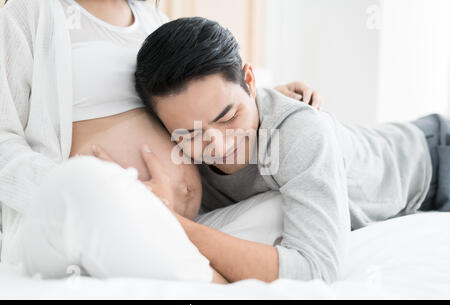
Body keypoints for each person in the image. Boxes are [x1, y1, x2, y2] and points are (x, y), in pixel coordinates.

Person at [0, 0, 320, 282]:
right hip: (81, 214)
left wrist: (263, 101)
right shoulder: (29, 12)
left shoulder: (155, 21)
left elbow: (202, 99)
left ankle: (177, 254)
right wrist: (121, 196)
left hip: (180, 222)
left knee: (279, 207)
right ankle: (212, 286)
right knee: (83, 183)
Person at [133, 17, 450, 283]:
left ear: (249, 81)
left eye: (228, 117)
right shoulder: (180, 156)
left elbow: (316, 269)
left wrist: (174, 226)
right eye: (190, 134)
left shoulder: (299, 132)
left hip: (433, 158)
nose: (219, 145)